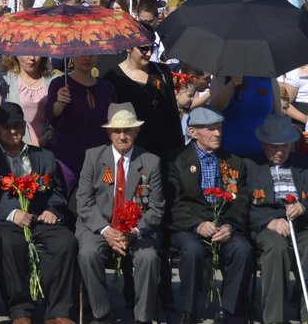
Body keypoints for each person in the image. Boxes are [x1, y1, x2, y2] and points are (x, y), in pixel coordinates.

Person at [0, 102, 77, 324]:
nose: (14, 131)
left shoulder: (45, 156)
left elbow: (58, 192)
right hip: (7, 220)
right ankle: (20, 311)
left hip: (40, 217)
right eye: (8, 126)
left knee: (65, 242)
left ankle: (57, 312)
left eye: (18, 125)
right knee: (10, 243)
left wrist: (52, 209)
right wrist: (12, 213)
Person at [75, 103, 165, 324]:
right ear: (108, 132)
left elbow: (156, 207)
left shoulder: (150, 162)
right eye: (117, 130)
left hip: (137, 229)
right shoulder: (93, 157)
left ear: (136, 131)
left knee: (149, 257)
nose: (122, 136)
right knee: (87, 253)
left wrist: (134, 232)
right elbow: (84, 201)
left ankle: (143, 318)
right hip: (99, 225)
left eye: (128, 130)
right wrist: (106, 231)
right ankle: (103, 314)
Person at [167, 107, 254, 324]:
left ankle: (230, 311)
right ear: (193, 132)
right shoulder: (175, 161)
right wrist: (196, 225)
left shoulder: (234, 162)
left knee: (243, 249)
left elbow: (241, 200)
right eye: (211, 129)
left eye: (219, 128)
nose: (217, 133)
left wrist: (229, 226)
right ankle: (190, 311)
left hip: (223, 225)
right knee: (193, 250)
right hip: (189, 227)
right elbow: (173, 203)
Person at [245, 114, 308, 324]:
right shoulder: (250, 165)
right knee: (276, 249)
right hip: (266, 225)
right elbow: (241, 205)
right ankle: (274, 319)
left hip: (300, 224)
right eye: (274, 146)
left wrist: (303, 206)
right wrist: (269, 221)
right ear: (264, 144)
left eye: (285, 146)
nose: (279, 152)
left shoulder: (303, 164)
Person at [103, 33, 183, 161]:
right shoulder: (113, 78)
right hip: (135, 152)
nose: (149, 53)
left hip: (168, 151)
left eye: (152, 48)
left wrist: (179, 148)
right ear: (129, 47)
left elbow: (172, 112)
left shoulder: (162, 71)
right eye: (143, 49)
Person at [47, 54, 116, 190]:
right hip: (68, 161)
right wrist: (60, 102)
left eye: (91, 53)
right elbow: (52, 115)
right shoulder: (59, 84)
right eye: (81, 54)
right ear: (72, 55)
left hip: (100, 161)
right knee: (66, 206)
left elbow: (113, 122)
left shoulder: (106, 87)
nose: (87, 58)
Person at [0, 55, 55, 147]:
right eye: (27, 52)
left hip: (49, 149)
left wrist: (47, 137)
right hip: (17, 149)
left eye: (36, 53)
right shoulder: (3, 81)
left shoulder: (54, 80)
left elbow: (60, 118)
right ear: (16, 55)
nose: (32, 57)